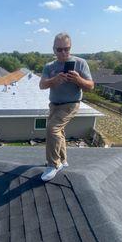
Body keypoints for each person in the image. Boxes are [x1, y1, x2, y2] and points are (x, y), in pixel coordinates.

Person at [39, 32, 94, 181]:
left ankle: (53, 164)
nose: (63, 52)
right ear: (53, 50)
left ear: (70, 48)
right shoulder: (49, 66)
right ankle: (62, 160)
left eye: (67, 49)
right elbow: (42, 85)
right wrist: (54, 80)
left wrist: (78, 79)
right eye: (59, 49)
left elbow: (90, 86)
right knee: (59, 132)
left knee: (52, 128)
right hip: (54, 104)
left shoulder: (80, 63)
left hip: (71, 104)